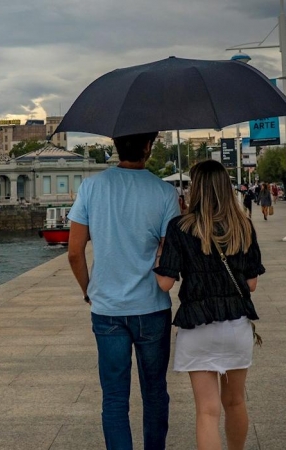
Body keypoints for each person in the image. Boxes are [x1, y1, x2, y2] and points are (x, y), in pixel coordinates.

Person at [67, 131, 180, 450]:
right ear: (147, 146)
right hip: (152, 307)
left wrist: (89, 289)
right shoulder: (164, 192)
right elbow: (169, 254)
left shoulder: (91, 187)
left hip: (108, 310)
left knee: (114, 398)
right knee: (155, 392)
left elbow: (74, 252)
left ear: (116, 145)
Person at [153, 159, 264, 450]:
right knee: (236, 401)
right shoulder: (244, 226)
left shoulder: (180, 227)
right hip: (236, 325)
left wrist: (159, 257)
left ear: (196, 189)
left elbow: (165, 283)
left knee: (207, 410)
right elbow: (251, 284)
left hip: (197, 325)